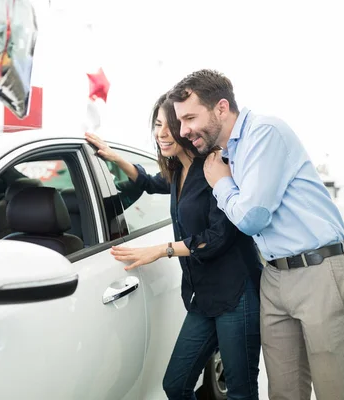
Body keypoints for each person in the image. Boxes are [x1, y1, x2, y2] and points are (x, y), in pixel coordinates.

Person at [168, 69, 344, 400]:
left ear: (221, 108)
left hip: (319, 273)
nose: (183, 131)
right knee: (284, 392)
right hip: (274, 277)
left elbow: (253, 217)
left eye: (189, 118)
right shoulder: (226, 153)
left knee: (334, 392)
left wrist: (221, 183)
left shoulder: (264, 133)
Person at [85, 93, 263, 400]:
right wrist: (114, 158)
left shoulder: (213, 166)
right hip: (202, 297)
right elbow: (151, 182)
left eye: (170, 125)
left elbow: (218, 237)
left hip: (236, 294)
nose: (162, 133)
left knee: (240, 392)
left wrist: (159, 250)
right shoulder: (177, 170)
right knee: (176, 385)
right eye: (157, 125)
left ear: (185, 129)